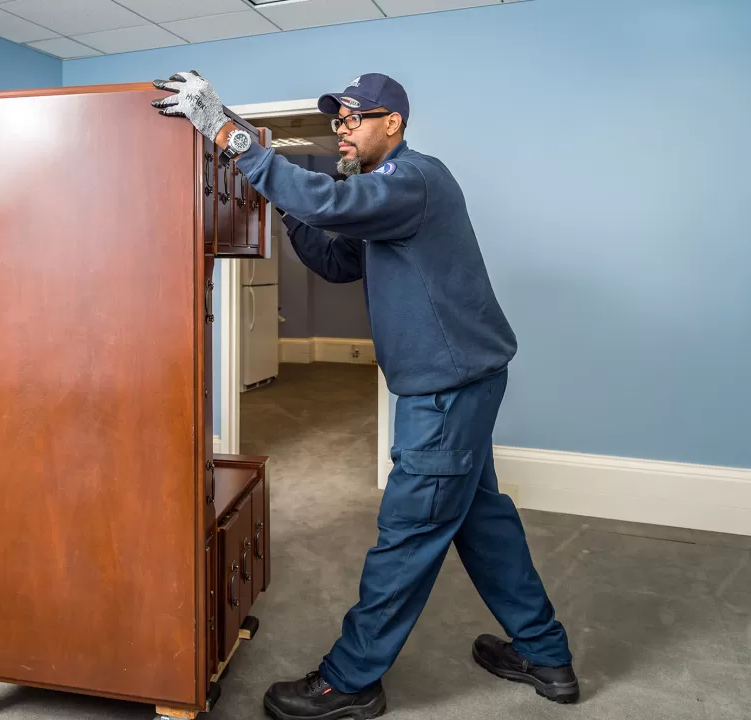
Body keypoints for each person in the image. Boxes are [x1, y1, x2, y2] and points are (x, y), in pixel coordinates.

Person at [152, 72, 580, 719]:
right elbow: (338, 259)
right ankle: (545, 655)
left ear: (394, 123)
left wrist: (229, 134)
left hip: (443, 396)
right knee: (481, 522)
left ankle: (349, 681)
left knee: (407, 536)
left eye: (354, 116)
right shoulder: (385, 199)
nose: (342, 128)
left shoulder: (412, 179)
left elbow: (334, 206)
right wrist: (288, 206)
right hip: (459, 386)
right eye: (337, 120)